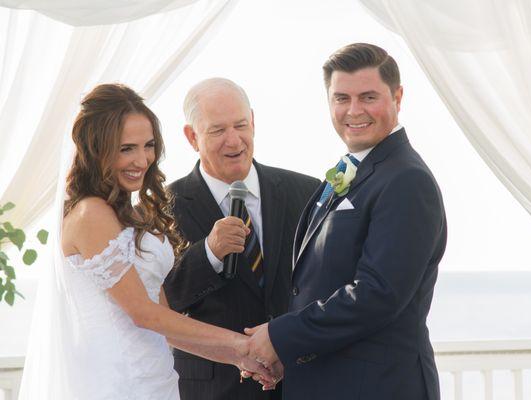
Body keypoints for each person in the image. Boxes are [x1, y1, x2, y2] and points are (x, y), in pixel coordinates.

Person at [18, 83, 274, 400]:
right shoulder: (89, 215)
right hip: (116, 383)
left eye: (148, 145)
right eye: (127, 148)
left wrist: (235, 357)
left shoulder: (126, 213)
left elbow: (163, 319)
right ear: (97, 149)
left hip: (157, 379)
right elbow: (142, 313)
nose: (142, 159)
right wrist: (242, 343)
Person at [245, 43, 447, 400]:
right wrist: (288, 354)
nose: (354, 111)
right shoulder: (354, 168)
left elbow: (377, 294)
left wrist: (281, 336)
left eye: (368, 97)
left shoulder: (406, 180)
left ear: (398, 97)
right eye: (341, 98)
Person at [162, 77, 320, 400]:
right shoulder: (163, 208)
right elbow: (161, 304)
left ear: (253, 122)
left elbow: (324, 284)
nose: (234, 141)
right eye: (218, 130)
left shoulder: (306, 191)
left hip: (301, 384)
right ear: (192, 136)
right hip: (215, 389)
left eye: (241, 125)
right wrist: (209, 253)